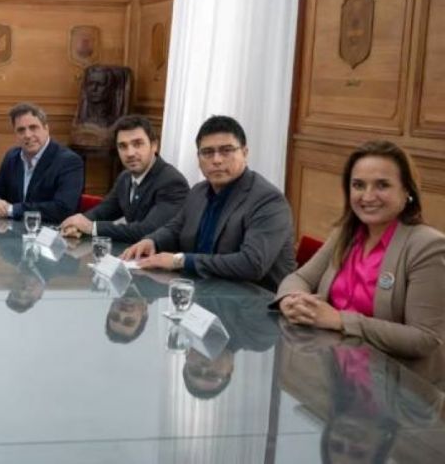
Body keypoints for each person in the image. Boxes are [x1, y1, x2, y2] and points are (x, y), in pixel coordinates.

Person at [275, 140, 445, 381]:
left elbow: (424, 338)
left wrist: (340, 320)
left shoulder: (428, 246)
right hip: (337, 377)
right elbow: (300, 277)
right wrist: (291, 300)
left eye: (382, 185)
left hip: (399, 393)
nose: (367, 196)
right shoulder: (346, 233)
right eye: (358, 185)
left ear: (406, 191)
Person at [121, 115, 295, 290]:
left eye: (226, 150)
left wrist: (180, 260)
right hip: (203, 293)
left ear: (245, 153)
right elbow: (175, 228)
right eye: (207, 152)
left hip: (253, 303)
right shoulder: (199, 191)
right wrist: (152, 241)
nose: (217, 160)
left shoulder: (268, 200)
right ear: (198, 158)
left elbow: (252, 263)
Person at [60, 115, 189, 242]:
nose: (130, 153)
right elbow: (103, 211)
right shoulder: (125, 177)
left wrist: (92, 227)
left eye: (137, 144)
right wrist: (77, 223)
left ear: (154, 145)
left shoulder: (172, 182)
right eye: (123, 146)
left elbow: (147, 230)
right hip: (131, 255)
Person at [0, 103, 84, 223]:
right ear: (15, 134)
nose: (28, 135)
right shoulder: (12, 157)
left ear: (46, 128)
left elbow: (63, 209)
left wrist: (12, 210)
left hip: (51, 235)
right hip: (13, 234)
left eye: (33, 127)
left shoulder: (69, 161)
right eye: (21, 130)